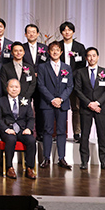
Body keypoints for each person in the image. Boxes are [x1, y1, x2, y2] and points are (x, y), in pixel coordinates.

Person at [37, 42, 73, 170]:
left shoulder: (67, 67)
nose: (55, 52)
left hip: (62, 104)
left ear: (61, 52)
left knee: (61, 131)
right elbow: (41, 85)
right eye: (52, 50)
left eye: (57, 50)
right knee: (47, 130)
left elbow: (70, 86)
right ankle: (46, 158)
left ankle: (61, 158)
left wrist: (61, 99)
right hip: (48, 103)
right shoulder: (42, 67)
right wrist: (52, 99)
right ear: (48, 52)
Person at [0, 79, 37, 179]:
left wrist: (28, 128)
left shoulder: (25, 100)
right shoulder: (0, 101)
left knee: (31, 140)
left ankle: (30, 168)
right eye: (11, 87)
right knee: (11, 139)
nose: (14, 89)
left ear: (20, 88)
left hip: (22, 129)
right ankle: (9, 167)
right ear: (7, 88)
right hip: (7, 129)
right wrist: (6, 129)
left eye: (16, 87)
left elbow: (30, 118)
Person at [74, 47, 105, 170]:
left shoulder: (103, 71)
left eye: (94, 55)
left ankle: (103, 161)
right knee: (84, 135)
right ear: (86, 58)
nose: (91, 58)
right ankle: (84, 161)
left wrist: (97, 103)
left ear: (98, 57)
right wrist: (89, 104)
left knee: (102, 135)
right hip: (86, 108)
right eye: (89, 56)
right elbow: (77, 90)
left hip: (100, 109)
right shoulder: (80, 72)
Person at [59, 21, 86, 143]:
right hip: (60, 81)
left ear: (73, 32)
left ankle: (77, 132)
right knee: (60, 108)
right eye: (64, 30)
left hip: (75, 81)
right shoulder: (58, 45)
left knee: (76, 108)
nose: (67, 32)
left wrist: (71, 76)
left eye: (69, 30)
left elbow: (82, 65)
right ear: (61, 32)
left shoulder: (79, 47)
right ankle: (59, 132)